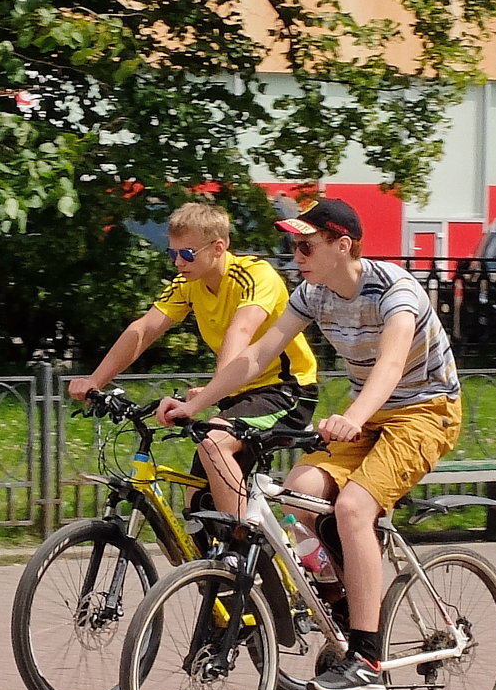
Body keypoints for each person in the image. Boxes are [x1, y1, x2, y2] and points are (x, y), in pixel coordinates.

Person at [156, 198, 463, 690]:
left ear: (342, 245)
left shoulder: (395, 291)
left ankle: (366, 655)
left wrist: (352, 418)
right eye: (292, 245)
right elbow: (257, 353)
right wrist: (202, 404)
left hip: (426, 412)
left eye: (306, 245)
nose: (295, 254)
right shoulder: (313, 293)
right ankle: (348, 592)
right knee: (298, 492)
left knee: (353, 507)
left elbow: (388, 368)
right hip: (371, 413)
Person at [68, 202, 319, 520]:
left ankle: (240, 553)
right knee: (198, 507)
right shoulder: (189, 284)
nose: (178, 263)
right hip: (238, 392)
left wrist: (212, 393)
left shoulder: (255, 275)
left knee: (214, 445)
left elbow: (240, 332)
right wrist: (94, 381)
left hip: (286, 390)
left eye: (187, 254)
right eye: (172, 254)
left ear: (219, 247)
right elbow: (144, 330)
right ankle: (215, 564)